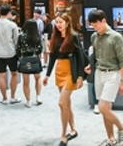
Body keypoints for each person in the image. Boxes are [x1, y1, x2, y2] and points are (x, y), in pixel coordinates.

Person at [85, 9, 123, 146]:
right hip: (99, 73)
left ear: (104, 21)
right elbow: (96, 56)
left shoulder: (116, 37)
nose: (94, 27)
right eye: (92, 25)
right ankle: (111, 138)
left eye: (96, 24)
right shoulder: (94, 36)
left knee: (102, 107)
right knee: (106, 109)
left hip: (113, 74)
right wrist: (90, 65)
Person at [43, 13, 84, 146]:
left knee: (61, 103)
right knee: (66, 104)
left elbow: (80, 57)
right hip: (59, 70)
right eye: (57, 22)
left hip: (70, 71)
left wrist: (80, 76)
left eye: (61, 22)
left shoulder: (74, 37)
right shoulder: (54, 37)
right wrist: (47, 75)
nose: (58, 25)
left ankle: (63, 134)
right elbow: (52, 58)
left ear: (67, 23)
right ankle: (73, 130)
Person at [0, 4, 20, 105]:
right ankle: (13, 97)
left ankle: (4, 98)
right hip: (11, 53)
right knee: (14, 74)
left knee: (1, 76)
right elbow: (16, 40)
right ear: (9, 13)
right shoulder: (12, 25)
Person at [17, 19, 43, 108]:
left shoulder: (21, 36)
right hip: (35, 58)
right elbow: (40, 49)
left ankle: (28, 101)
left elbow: (18, 48)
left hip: (25, 58)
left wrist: (19, 57)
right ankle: (38, 97)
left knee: (26, 82)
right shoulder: (37, 36)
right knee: (38, 78)